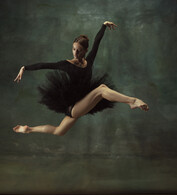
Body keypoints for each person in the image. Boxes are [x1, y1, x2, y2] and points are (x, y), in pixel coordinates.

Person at [13, 21, 149, 136]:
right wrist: (24, 67)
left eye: (78, 50)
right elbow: (44, 65)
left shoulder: (89, 61)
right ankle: (132, 101)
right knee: (101, 89)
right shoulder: (66, 65)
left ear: (85, 51)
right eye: (73, 49)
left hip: (82, 103)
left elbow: (97, 42)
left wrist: (103, 26)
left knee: (58, 131)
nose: (75, 53)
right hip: (74, 107)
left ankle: (28, 129)